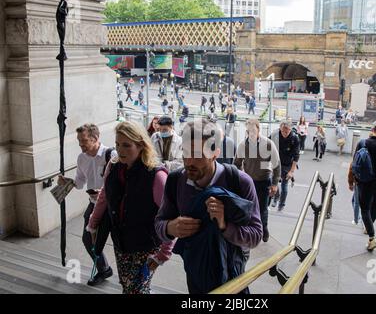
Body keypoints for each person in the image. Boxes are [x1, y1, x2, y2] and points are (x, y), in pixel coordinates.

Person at [154, 119, 263, 293]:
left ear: (215, 153)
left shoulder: (240, 182)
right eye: (186, 152)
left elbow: (256, 235)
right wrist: (170, 228)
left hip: (232, 272)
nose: (189, 161)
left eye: (198, 155)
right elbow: (159, 225)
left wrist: (224, 225)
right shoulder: (175, 180)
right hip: (193, 270)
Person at [86, 121, 174, 294]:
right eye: (118, 144)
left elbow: (170, 217)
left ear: (141, 145)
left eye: (127, 145)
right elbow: (105, 194)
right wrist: (93, 222)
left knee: (136, 289)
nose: (120, 150)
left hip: (146, 246)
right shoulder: (113, 165)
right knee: (128, 284)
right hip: (121, 241)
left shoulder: (156, 176)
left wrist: (163, 255)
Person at [57, 124, 115, 286]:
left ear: (95, 138)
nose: (80, 145)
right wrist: (67, 182)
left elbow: (122, 182)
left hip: (112, 207)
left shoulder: (112, 155)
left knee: (119, 241)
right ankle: (104, 269)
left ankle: (130, 279)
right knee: (88, 239)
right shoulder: (81, 158)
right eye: (79, 141)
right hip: (94, 204)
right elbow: (80, 182)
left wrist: (103, 191)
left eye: (84, 141)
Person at [234, 119, 281, 242]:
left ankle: (263, 230)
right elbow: (236, 163)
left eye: (253, 130)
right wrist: (240, 178)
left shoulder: (268, 144)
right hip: (248, 182)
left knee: (262, 208)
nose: (251, 133)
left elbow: (276, 165)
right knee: (248, 208)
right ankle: (252, 231)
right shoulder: (243, 145)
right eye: (249, 131)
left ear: (259, 130)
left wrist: (275, 184)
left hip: (264, 181)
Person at [352, 121, 376, 251]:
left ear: (372, 129)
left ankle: (372, 237)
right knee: (375, 206)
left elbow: (354, 163)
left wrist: (351, 180)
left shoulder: (363, 143)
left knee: (364, 209)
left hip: (365, 182)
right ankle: (369, 228)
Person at [270, 120, 300, 212]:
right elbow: (267, 143)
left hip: (287, 164)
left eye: (287, 132)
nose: (284, 133)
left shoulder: (294, 138)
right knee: (273, 181)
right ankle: (276, 197)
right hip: (276, 162)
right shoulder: (275, 134)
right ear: (280, 129)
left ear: (290, 130)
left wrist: (292, 171)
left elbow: (296, 156)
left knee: (284, 184)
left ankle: (281, 204)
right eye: (283, 131)